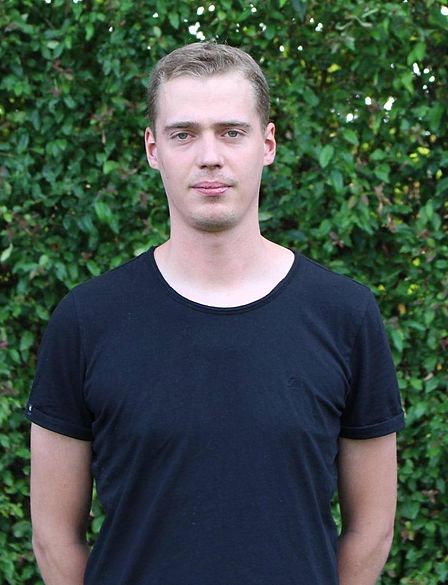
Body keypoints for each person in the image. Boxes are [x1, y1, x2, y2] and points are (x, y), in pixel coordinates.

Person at [26, 42, 405, 585]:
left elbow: (372, 529)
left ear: (266, 144)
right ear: (153, 148)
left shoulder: (345, 315)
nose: (209, 155)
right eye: (184, 134)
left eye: (231, 132)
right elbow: (54, 536)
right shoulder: (87, 320)